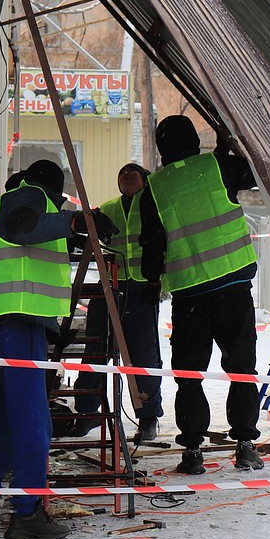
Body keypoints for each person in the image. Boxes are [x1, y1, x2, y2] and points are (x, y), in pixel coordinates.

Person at [0, 159, 117, 539]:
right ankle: (26, 514)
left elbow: (28, 239)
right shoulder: (30, 197)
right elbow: (24, 227)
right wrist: (76, 222)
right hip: (17, 323)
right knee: (33, 424)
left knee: (4, 428)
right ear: (52, 189)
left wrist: (77, 232)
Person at [139, 115, 263, 475]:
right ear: (195, 139)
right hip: (233, 286)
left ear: (162, 149)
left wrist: (150, 281)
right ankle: (244, 445)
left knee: (189, 374)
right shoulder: (217, 166)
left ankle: (192, 451)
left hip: (189, 294)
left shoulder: (155, 187)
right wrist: (229, 145)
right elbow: (257, 172)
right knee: (241, 368)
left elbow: (152, 245)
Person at [69, 162, 164, 442]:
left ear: (145, 181)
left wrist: (157, 281)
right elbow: (82, 231)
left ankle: (147, 418)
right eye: (122, 175)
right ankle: (86, 413)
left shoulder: (155, 205)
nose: (126, 178)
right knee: (95, 351)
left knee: (143, 357)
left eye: (132, 175)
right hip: (108, 288)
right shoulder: (108, 208)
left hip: (141, 290)